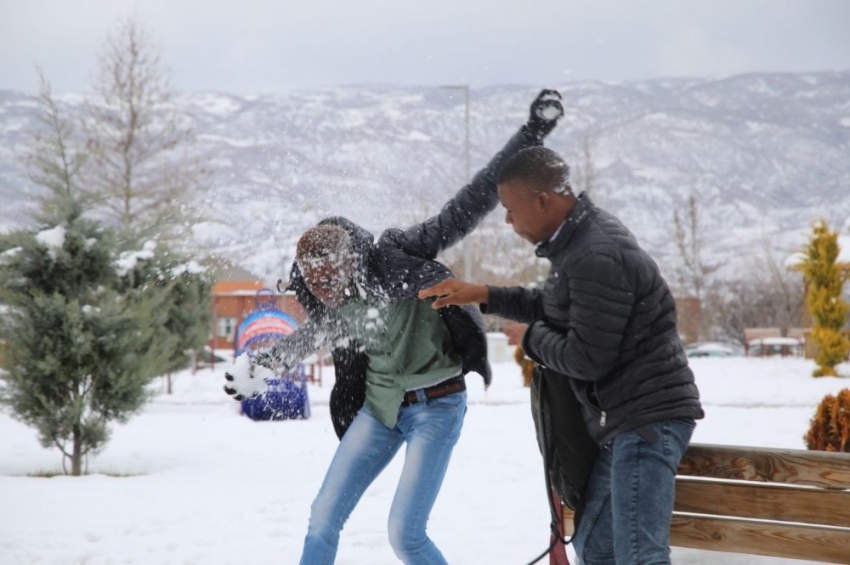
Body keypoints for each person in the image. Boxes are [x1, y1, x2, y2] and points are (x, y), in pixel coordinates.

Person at [221, 90, 564, 565]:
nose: (325, 295)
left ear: (349, 264)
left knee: (406, 535)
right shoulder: (325, 295)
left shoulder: (397, 256)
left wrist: (531, 135)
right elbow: (311, 336)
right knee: (322, 516)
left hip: (436, 407)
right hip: (380, 409)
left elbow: (471, 201)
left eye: (331, 282)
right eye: (315, 286)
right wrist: (262, 364)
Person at [418, 146, 704, 565]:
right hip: (627, 422)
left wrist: (530, 338)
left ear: (542, 201)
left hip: (647, 419)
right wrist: (483, 294)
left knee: (639, 556)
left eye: (511, 210)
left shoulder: (593, 253)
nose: (509, 222)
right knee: (596, 544)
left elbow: (588, 359)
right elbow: (556, 306)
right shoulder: (580, 244)